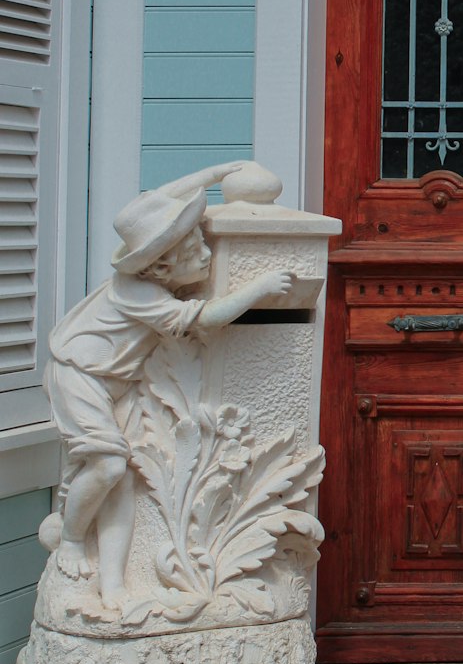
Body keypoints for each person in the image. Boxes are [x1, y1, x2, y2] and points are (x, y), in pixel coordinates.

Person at [39, 162, 292, 611]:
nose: (208, 254)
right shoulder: (142, 295)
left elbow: (161, 197)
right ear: (162, 266)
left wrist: (217, 173)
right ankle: (74, 538)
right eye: (196, 250)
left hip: (116, 381)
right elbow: (206, 318)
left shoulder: (151, 278)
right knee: (110, 465)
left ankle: (113, 582)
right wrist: (260, 288)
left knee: (120, 480)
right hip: (79, 374)